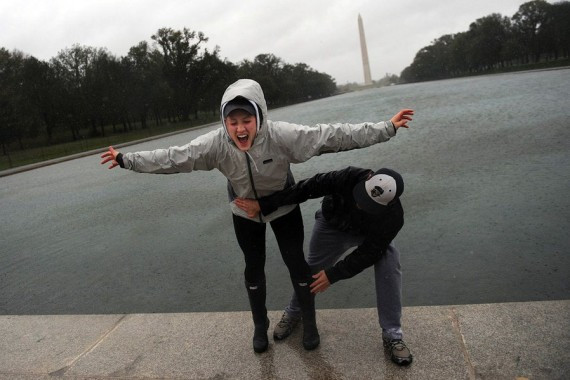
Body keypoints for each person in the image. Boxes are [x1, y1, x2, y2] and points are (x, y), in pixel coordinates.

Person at [100, 78, 414, 354]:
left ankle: (309, 325)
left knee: (297, 264)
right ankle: (259, 327)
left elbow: (332, 136)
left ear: (259, 117)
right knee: (254, 268)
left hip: (284, 206)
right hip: (244, 210)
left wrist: (386, 128)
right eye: (232, 121)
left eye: (246, 119)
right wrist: (128, 160)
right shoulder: (214, 145)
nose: (240, 129)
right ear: (224, 121)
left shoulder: (282, 136)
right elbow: (173, 158)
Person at [235, 166, 413, 366]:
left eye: (370, 204)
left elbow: (369, 253)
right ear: (368, 179)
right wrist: (264, 204)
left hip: (369, 235)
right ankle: (294, 312)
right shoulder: (348, 177)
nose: (361, 205)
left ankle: (392, 335)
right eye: (361, 197)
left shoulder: (394, 217)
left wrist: (334, 274)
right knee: (310, 271)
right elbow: (306, 188)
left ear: (390, 203)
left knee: (390, 263)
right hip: (333, 225)